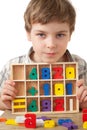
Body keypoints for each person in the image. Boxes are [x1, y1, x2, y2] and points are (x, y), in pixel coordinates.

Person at [0, 0, 87, 110]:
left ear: (70, 35)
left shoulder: (81, 65)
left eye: (60, 35)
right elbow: (1, 101)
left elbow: (84, 105)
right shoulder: (12, 66)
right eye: (41, 34)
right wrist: (5, 103)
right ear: (28, 34)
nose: (51, 44)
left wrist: (84, 104)